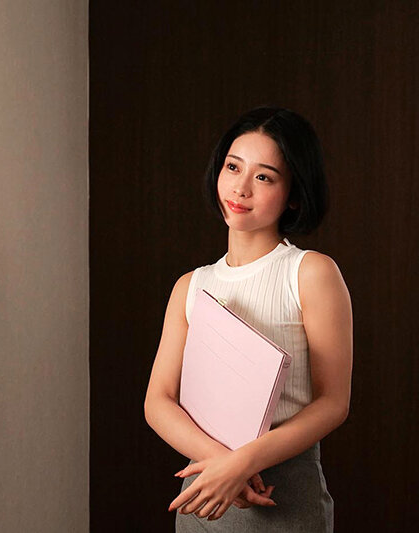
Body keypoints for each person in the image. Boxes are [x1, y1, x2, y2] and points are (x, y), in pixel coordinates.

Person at [144, 107, 352, 531]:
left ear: (293, 194)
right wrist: (222, 464)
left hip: (284, 494)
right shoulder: (191, 285)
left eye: (264, 177)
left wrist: (242, 464)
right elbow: (157, 401)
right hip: (206, 492)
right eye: (233, 167)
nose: (240, 188)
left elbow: (333, 402)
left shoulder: (311, 272)